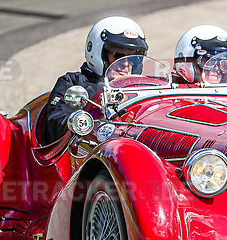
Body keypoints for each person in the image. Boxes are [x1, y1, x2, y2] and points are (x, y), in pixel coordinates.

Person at [41, 16, 148, 145]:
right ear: (98, 53)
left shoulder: (145, 88)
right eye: (118, 55)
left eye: (132, 57)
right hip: (85, 154)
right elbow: (57, 123)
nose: (126, 64)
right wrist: (90, 125)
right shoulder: (73, 83)